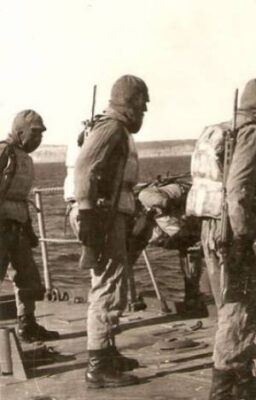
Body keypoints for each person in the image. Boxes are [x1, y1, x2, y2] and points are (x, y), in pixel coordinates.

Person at [186, 78, 256, 400]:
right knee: (239, 308)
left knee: (233, 303)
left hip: (213, 228)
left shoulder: (219, 130)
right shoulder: (252, 133)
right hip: (233, 230)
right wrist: (244, 237)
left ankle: (241, 380)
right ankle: (224, 390)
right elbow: (238, 189)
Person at [74, 74, 148, 389]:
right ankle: (98, 366)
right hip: (103, 218)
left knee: (111, 284)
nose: (144, 112)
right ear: (129, 105)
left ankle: (106, 352)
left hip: (110, 215)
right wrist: (90, 222)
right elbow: (84, 170)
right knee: (107, 287)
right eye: (142, 106)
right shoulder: (112, 128)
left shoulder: (113, 128)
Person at [0, 110, 60, 343]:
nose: (38, 139)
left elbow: (20, 197)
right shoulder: (4, 151)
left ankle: (27, 325)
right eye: (34, 133)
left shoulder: (24, 157)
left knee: (27, 277)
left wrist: (29, 229)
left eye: (41, 135)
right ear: (19, 131)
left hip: (18, 227)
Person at [129, 176, 206, 317]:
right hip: (182, 228)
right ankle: (192, 298)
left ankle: (193, 297)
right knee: (188, 249)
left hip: (191, 208)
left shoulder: (145, 197)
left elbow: (163, 202)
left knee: (190, 249)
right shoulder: (141, 232)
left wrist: (168, 212)